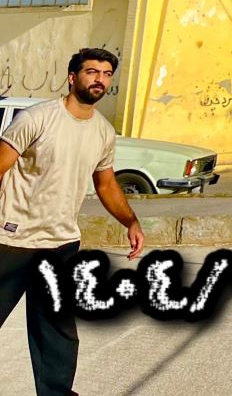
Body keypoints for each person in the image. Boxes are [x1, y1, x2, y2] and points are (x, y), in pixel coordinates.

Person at [0, 47, 145, 396]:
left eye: (106, 74)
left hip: (60, 242)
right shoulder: (37, 119)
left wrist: (131, 221)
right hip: (12, 240)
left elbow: (106, 183)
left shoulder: (103, 132)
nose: (100, 80)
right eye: (92, 72)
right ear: (72, 77)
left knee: (57, 329)